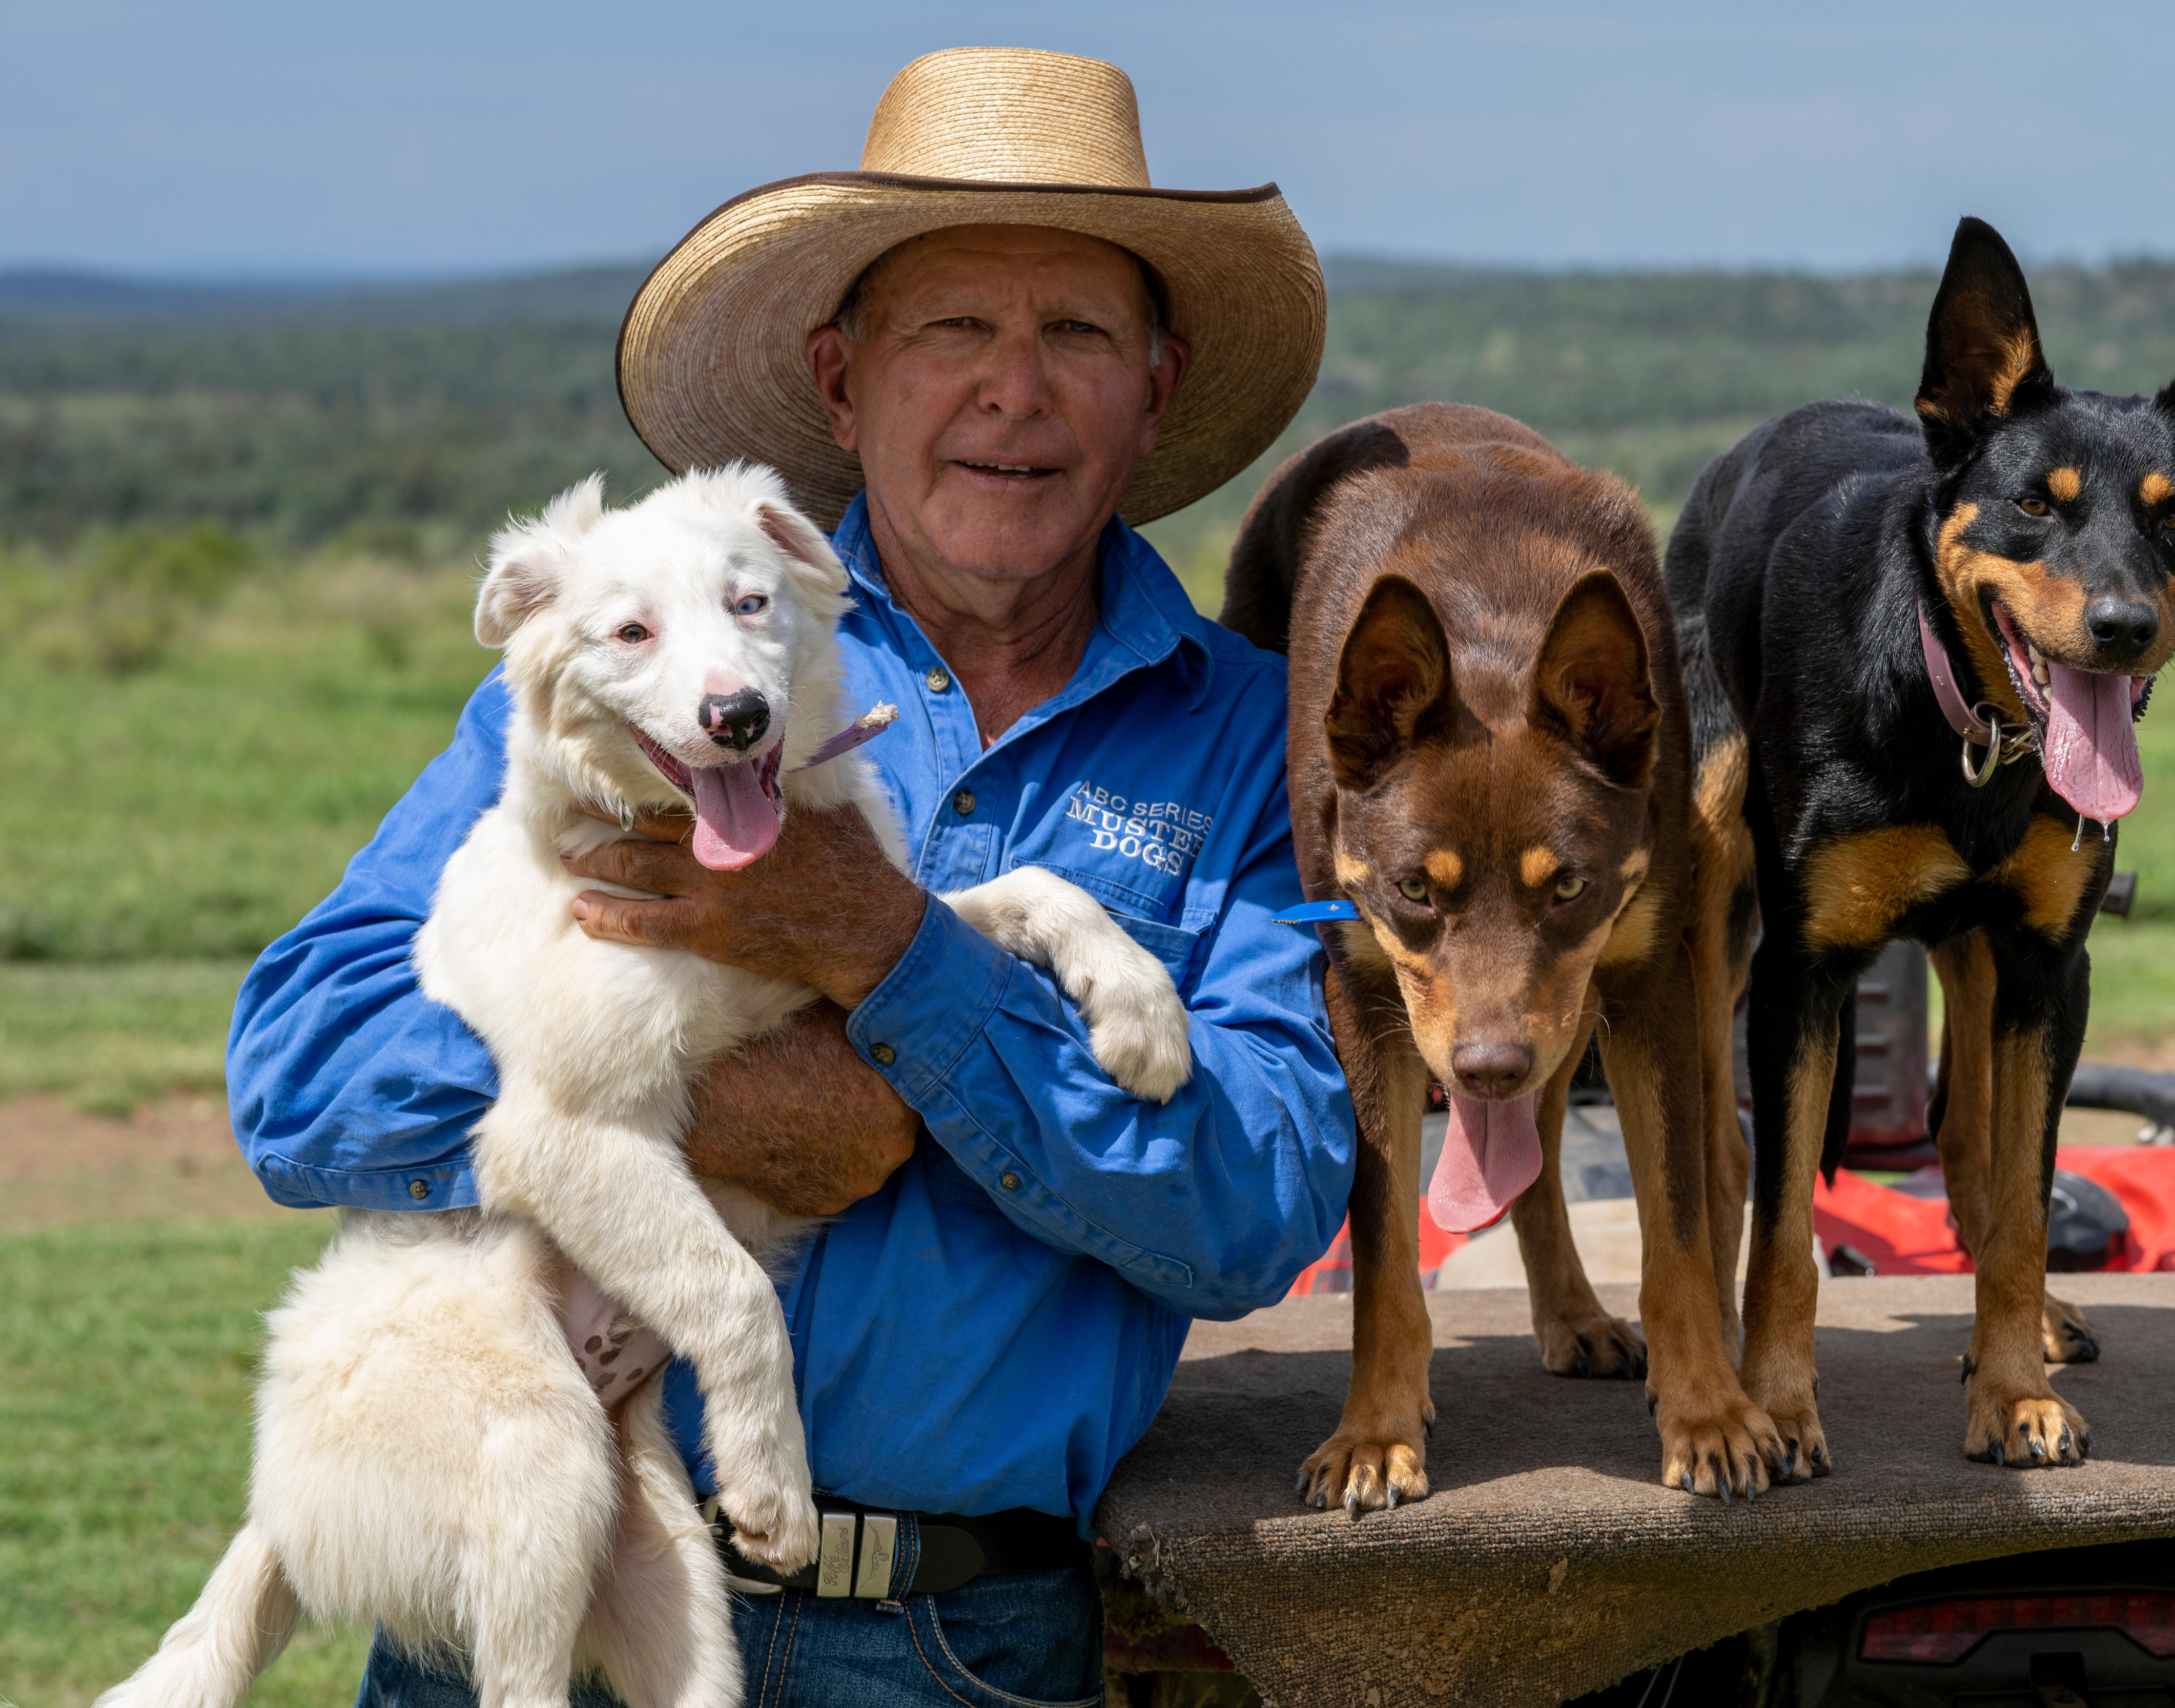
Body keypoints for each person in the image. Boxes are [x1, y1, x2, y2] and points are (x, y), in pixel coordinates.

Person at [227, 47, 1349, 1707]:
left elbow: (1260, 1192)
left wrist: (911, 981)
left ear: (1159, 387)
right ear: (842, 381)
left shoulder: (1247, 736)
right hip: (545, 1566)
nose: (1013, 392)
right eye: (953, 329)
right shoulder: (647, 663)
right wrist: (688, 1104)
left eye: (1080, 334)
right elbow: (297, 1073)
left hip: (956, 1638)